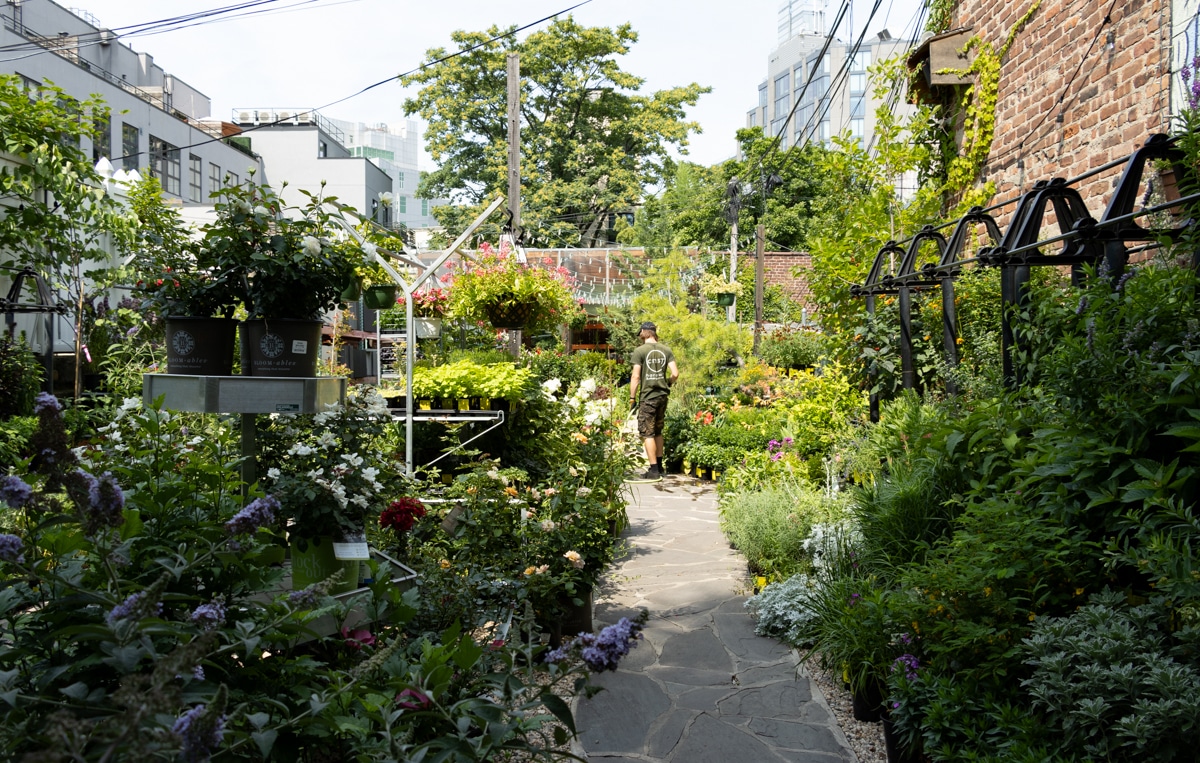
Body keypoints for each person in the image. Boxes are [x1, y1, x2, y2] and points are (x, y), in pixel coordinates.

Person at [629, 321, 679, 482]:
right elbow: (675, 374)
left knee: (647, 432)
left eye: (641, 333)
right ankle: (659, 465)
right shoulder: (666, 350)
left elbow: (636, 377)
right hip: (662, 396)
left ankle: (653, 470)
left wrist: (632, 398)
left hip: (648, 396)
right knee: (658, 431)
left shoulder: (640, 351)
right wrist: (668, 383)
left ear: (645, 332)